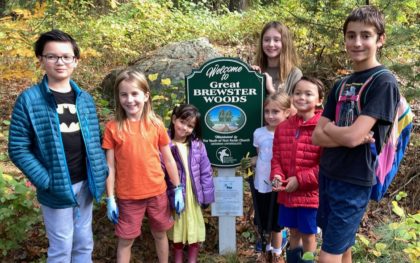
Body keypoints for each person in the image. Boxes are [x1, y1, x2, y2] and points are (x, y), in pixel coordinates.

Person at [8, 29, 108, 262]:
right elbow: (18, 148)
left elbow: (94, 140)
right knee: (61, 247)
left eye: (66, 56)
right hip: (56, 186)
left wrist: (101, 170)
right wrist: (46, 181)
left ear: (75, 60)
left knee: (84, 243)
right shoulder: (29, 99)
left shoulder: (85, 98)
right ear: (41, 60)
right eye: (52, 56)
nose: (59, 62)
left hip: (86, 183)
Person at [312, 6, 400, 263]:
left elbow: (352, 138)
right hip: (328, 173)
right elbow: (318, 136)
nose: (357, 42)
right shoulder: (341, 83)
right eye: (351, 35)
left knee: (327, 255)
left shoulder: (383, 82)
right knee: (341, 245)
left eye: (366, 35)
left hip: (353, 179)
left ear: (380, 39)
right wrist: (343, 133)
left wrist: (334, 130)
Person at [102, 69, 184, 263]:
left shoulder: (156, 125)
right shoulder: (113, 128)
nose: (130, 100)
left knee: (160, 234)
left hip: (157, 192)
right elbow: (110, 167)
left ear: (146, 95)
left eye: (134, 93)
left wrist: (178, 187)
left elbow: (169, 159)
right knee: (125, 240)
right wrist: (110, 197)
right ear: (118, 97)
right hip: (128, 196)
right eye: (124, 94)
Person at [271, 77, 324, 263]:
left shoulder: (323, 127)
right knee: (293, 232)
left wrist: (300, 180)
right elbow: (276, 157)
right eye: (297, 93)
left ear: (318, 100)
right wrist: (277, 175)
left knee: (308, 235)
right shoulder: (283, 127)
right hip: (287, 194)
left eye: (308, 94)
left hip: (310, 195)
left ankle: (308, 261)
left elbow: (325, 166)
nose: (302, 97)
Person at [164, 104, 215, 263]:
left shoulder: (198, 146)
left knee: (194, 231)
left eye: (190, 126)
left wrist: (207, 196)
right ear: (174, 119)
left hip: (193, 197)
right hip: (176, 196)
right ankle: (178, 259)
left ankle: (192, 259)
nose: (185, 128)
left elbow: (205, 172)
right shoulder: (164, 144)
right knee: (178, 231)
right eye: (182, 122)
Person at [251, 93, 293, 263]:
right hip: (261, 183)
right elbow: (259, 156)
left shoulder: (289, 133)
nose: (270, 116)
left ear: (287, 112)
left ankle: (276, 252)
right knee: (262, 218)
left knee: (276, 222)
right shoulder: (259, 132)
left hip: (279, 184)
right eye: (267, 111)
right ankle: (265, 250)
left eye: (275, 111)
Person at [252, 21, 302, 95]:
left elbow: (293, 106)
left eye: (276, 40)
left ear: (285, 43)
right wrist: (249, 77)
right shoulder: (254, 71)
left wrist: (271, 89)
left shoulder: (294, 74)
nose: (271, 44)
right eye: (266, 40)